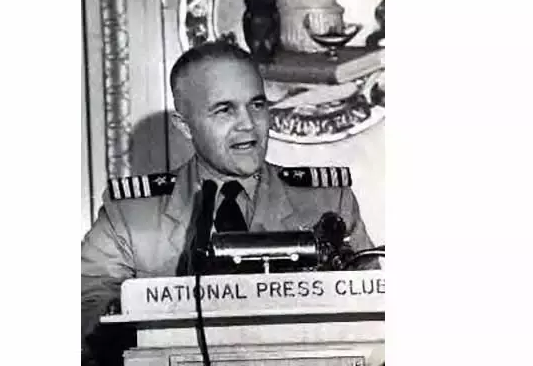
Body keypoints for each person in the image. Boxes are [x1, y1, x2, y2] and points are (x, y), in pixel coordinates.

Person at [81, 41, 378, 363]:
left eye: (257, 105)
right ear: (185, 126)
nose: (248, 123)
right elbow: (86, 309)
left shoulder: (328, 202)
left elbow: (371, 314)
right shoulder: (130, 215)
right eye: (224, 110)